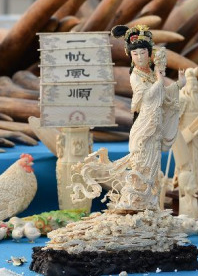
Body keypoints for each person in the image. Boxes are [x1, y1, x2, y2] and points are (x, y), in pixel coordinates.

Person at [71, 25, 185, 211]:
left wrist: (179, 84)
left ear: (149, 54)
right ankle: (134, 201)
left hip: (155, 125)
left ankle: (147, 203)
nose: (139, 57)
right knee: (141, 165)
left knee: (152, 166)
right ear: (131, 57)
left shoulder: (150, 73)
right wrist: (159, 80)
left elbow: (162, 95)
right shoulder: (135, 76)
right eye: (135, 54)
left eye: (142, 53)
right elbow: (147, 97)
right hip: (144, 125)